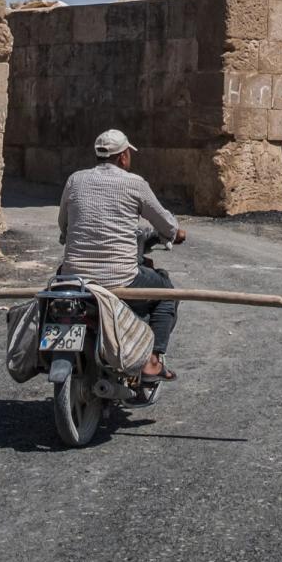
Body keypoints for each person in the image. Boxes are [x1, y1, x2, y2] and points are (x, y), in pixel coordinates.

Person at [57, 128, 186, 382]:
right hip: (119, 278)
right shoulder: (134, 183)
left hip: (74, 278)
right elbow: (165, 224)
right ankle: (152, 360)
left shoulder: (75, 180)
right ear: (123, 156)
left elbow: (64, 225)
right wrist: (176, 233)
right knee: (166, 293)